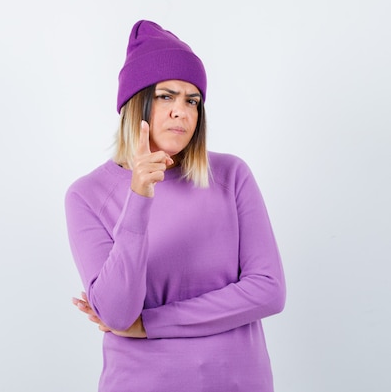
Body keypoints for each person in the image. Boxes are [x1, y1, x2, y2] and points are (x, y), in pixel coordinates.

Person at [65, 20, 286, 392]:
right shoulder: (87, 195)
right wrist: (139, 196)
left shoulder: (231, 175)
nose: (181, 111)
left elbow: (268, 290)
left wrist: (151, 323)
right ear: (137, 104)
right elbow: (118, 313)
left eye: (192, 100)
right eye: (166, 96)